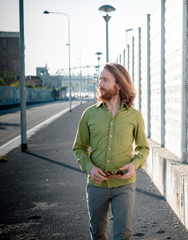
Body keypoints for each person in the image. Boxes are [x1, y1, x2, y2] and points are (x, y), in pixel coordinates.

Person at [72, 62, 149, 240]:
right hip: (96, 186)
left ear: (119, 84)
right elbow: (79, 148)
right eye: (100, 80)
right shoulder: (89, 114)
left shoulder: (134, 116)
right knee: (97, 233)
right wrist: (90, 168)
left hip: (124, 185)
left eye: (105, 80)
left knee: (123, 235)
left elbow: (143, 148)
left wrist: (134, 164)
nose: (100, 84)